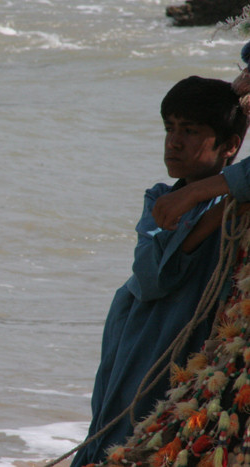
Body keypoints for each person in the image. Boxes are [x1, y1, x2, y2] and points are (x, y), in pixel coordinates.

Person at [72, 75, 249, 466]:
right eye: (170, 128)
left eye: (191, 131)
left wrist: (209, 194)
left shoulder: (233, 201)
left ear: (230, 145)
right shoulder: (161, 199)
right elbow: (153, 275)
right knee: (117, 436)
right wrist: (212, 204)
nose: (174, 141)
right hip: (142, 337)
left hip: (191, 345)